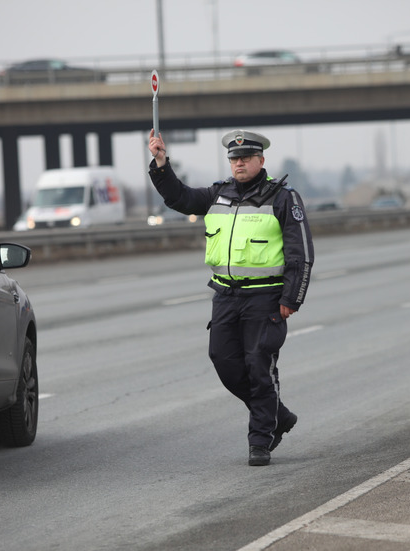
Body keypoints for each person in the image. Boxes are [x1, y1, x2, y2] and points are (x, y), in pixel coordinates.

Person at [147, 129, 314, 466]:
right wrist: (161, 164)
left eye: (246, 158)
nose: (239, 163)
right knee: (224, 362)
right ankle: (277, 414)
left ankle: (260, 440)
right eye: (234, 159)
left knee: (258, 366)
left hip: (265, 299)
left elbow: (301, 253)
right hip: (225, 296)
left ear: (260, 161)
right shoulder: (218, 194)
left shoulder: (283, 198)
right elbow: (180, 198)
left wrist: (291, 298)